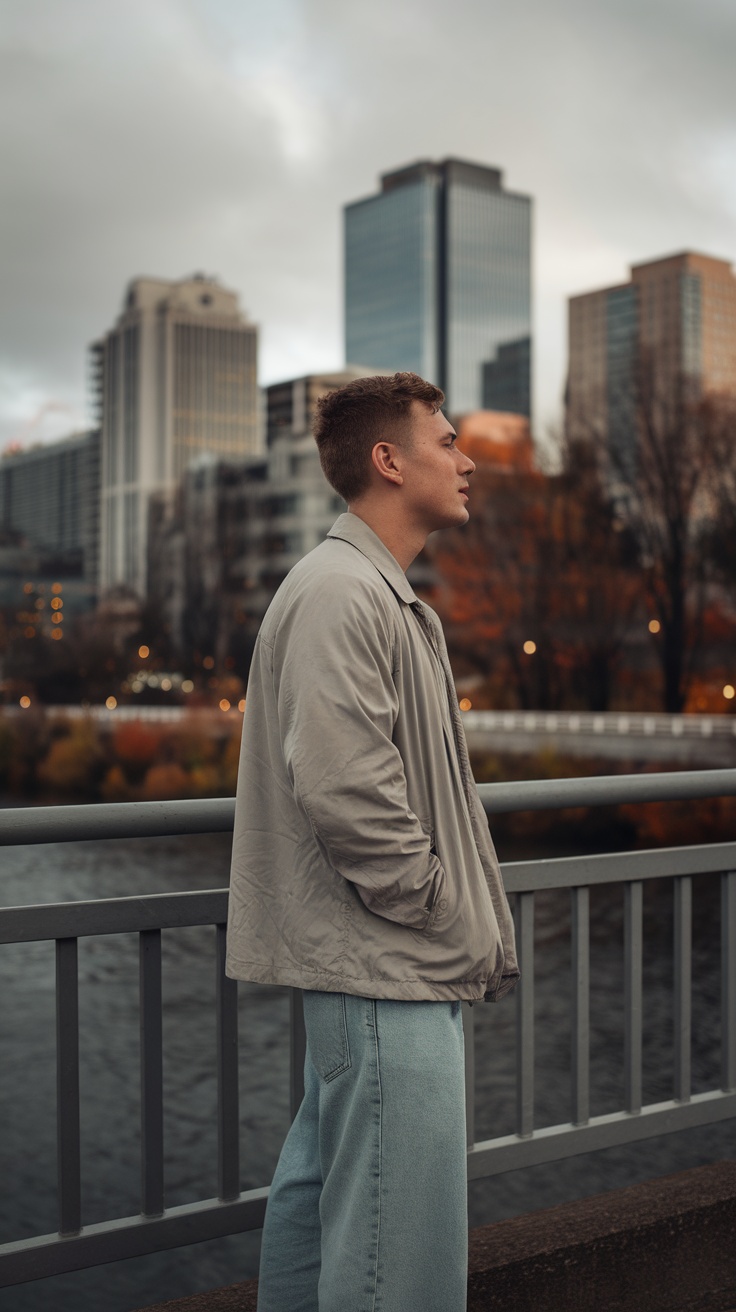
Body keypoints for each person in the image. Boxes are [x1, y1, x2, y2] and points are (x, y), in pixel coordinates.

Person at [226, 371, 519, 1312]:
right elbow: (347, 790)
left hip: (373, 967)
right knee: (404, 1256)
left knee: (330, 1210)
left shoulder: (366, 590)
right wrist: (433, 906)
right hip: (386, 963)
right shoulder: (341, 593)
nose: (466, 460)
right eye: (445, 441)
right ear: (389, 461)